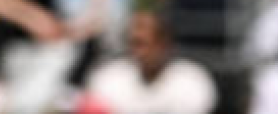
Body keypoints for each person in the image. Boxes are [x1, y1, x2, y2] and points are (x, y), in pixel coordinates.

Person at [81, 10, 216, 114]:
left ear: (165, 44)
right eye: (132, 43)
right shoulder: (107, 78)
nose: (137, 53)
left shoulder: (192, 81)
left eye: (142, 44)